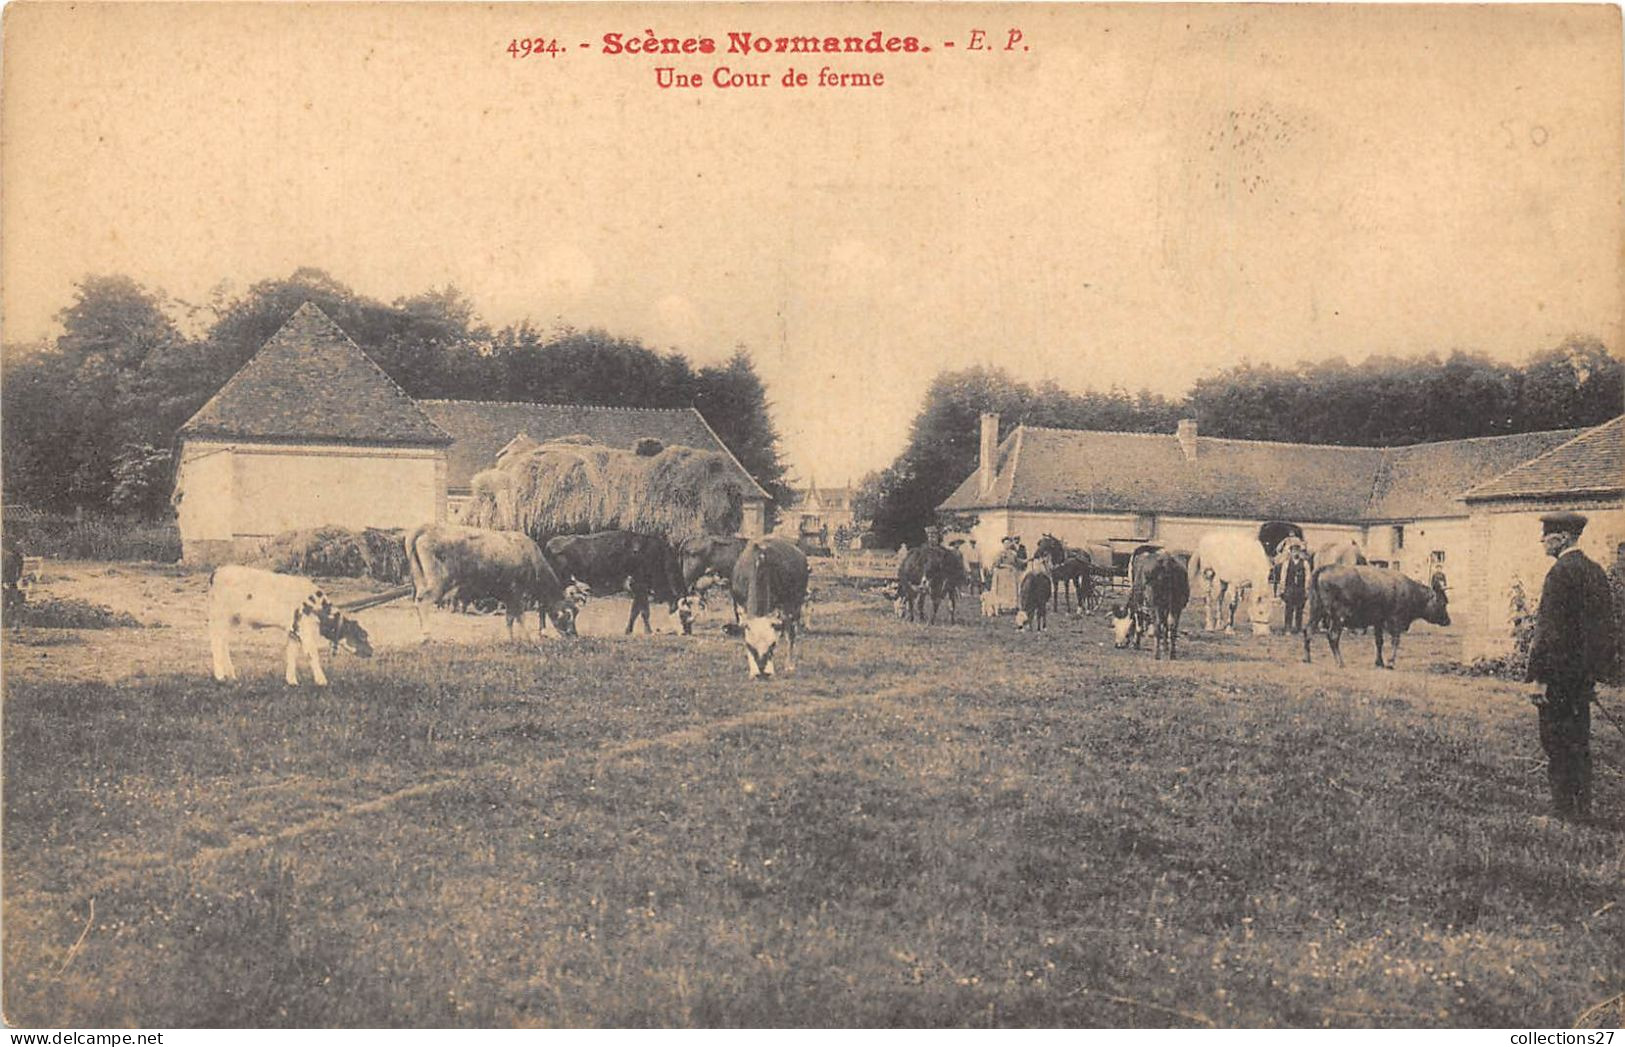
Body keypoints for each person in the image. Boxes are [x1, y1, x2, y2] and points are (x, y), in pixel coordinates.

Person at [1525, 511, 1617, 821]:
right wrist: (1593, 674)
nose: (1541, 541)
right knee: (1579, 742)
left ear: (1563, 537)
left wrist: (1539, 678)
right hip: (1581, 679)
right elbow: (1606, 630)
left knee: (1557, 743)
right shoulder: (1595, 571)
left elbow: (1549, 631)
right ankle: (1582, 811)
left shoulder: (1560, 573)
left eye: (1547, 535)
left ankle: (1562, 813)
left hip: (1558, 680)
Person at [1280, 547, 1309, 633]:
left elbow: (1308, 576)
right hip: (1290, 588)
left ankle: (1298, 628)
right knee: (1289, 609)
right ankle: (1287, 628)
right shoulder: (1286, 563)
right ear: (1291, 552)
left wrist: (1306, 589)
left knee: (1299, 609)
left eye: (1298, 551)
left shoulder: (1305, 563)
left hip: (1300, 589)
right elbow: (1283, 576)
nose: (1296, 553)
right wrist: (1282, 589)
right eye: (1294, 551)